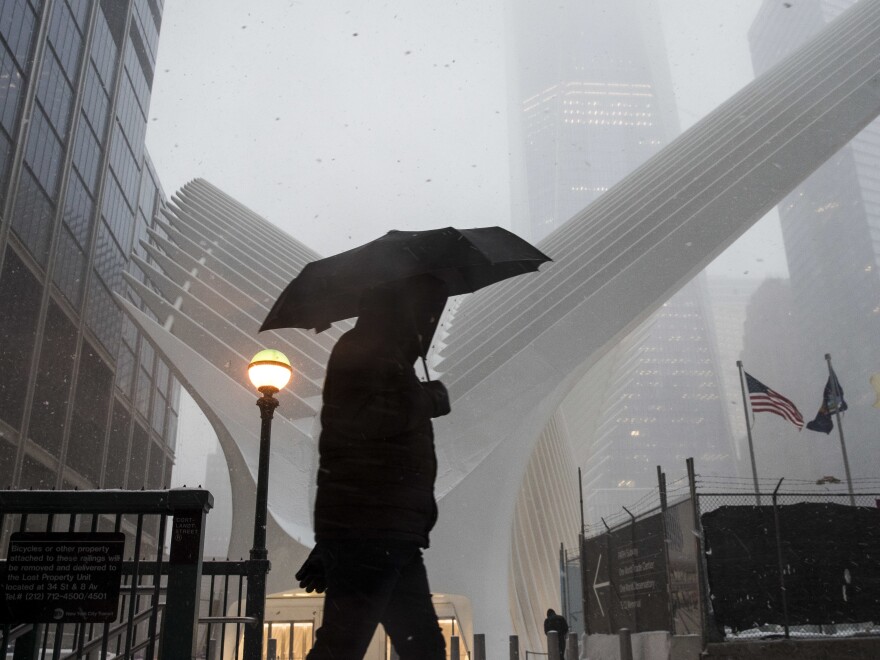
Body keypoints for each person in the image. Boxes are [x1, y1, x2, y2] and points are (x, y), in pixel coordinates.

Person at [296, 274, 450, 659]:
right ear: (402, 308)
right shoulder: (366, 349)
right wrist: (426, 400)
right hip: (373, 531)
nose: (429, 317)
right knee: (343, 647)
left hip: (389, 531)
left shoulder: (387, 355)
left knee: (423, 648)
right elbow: (361, 423)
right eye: (424, 308)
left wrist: (331, 544)